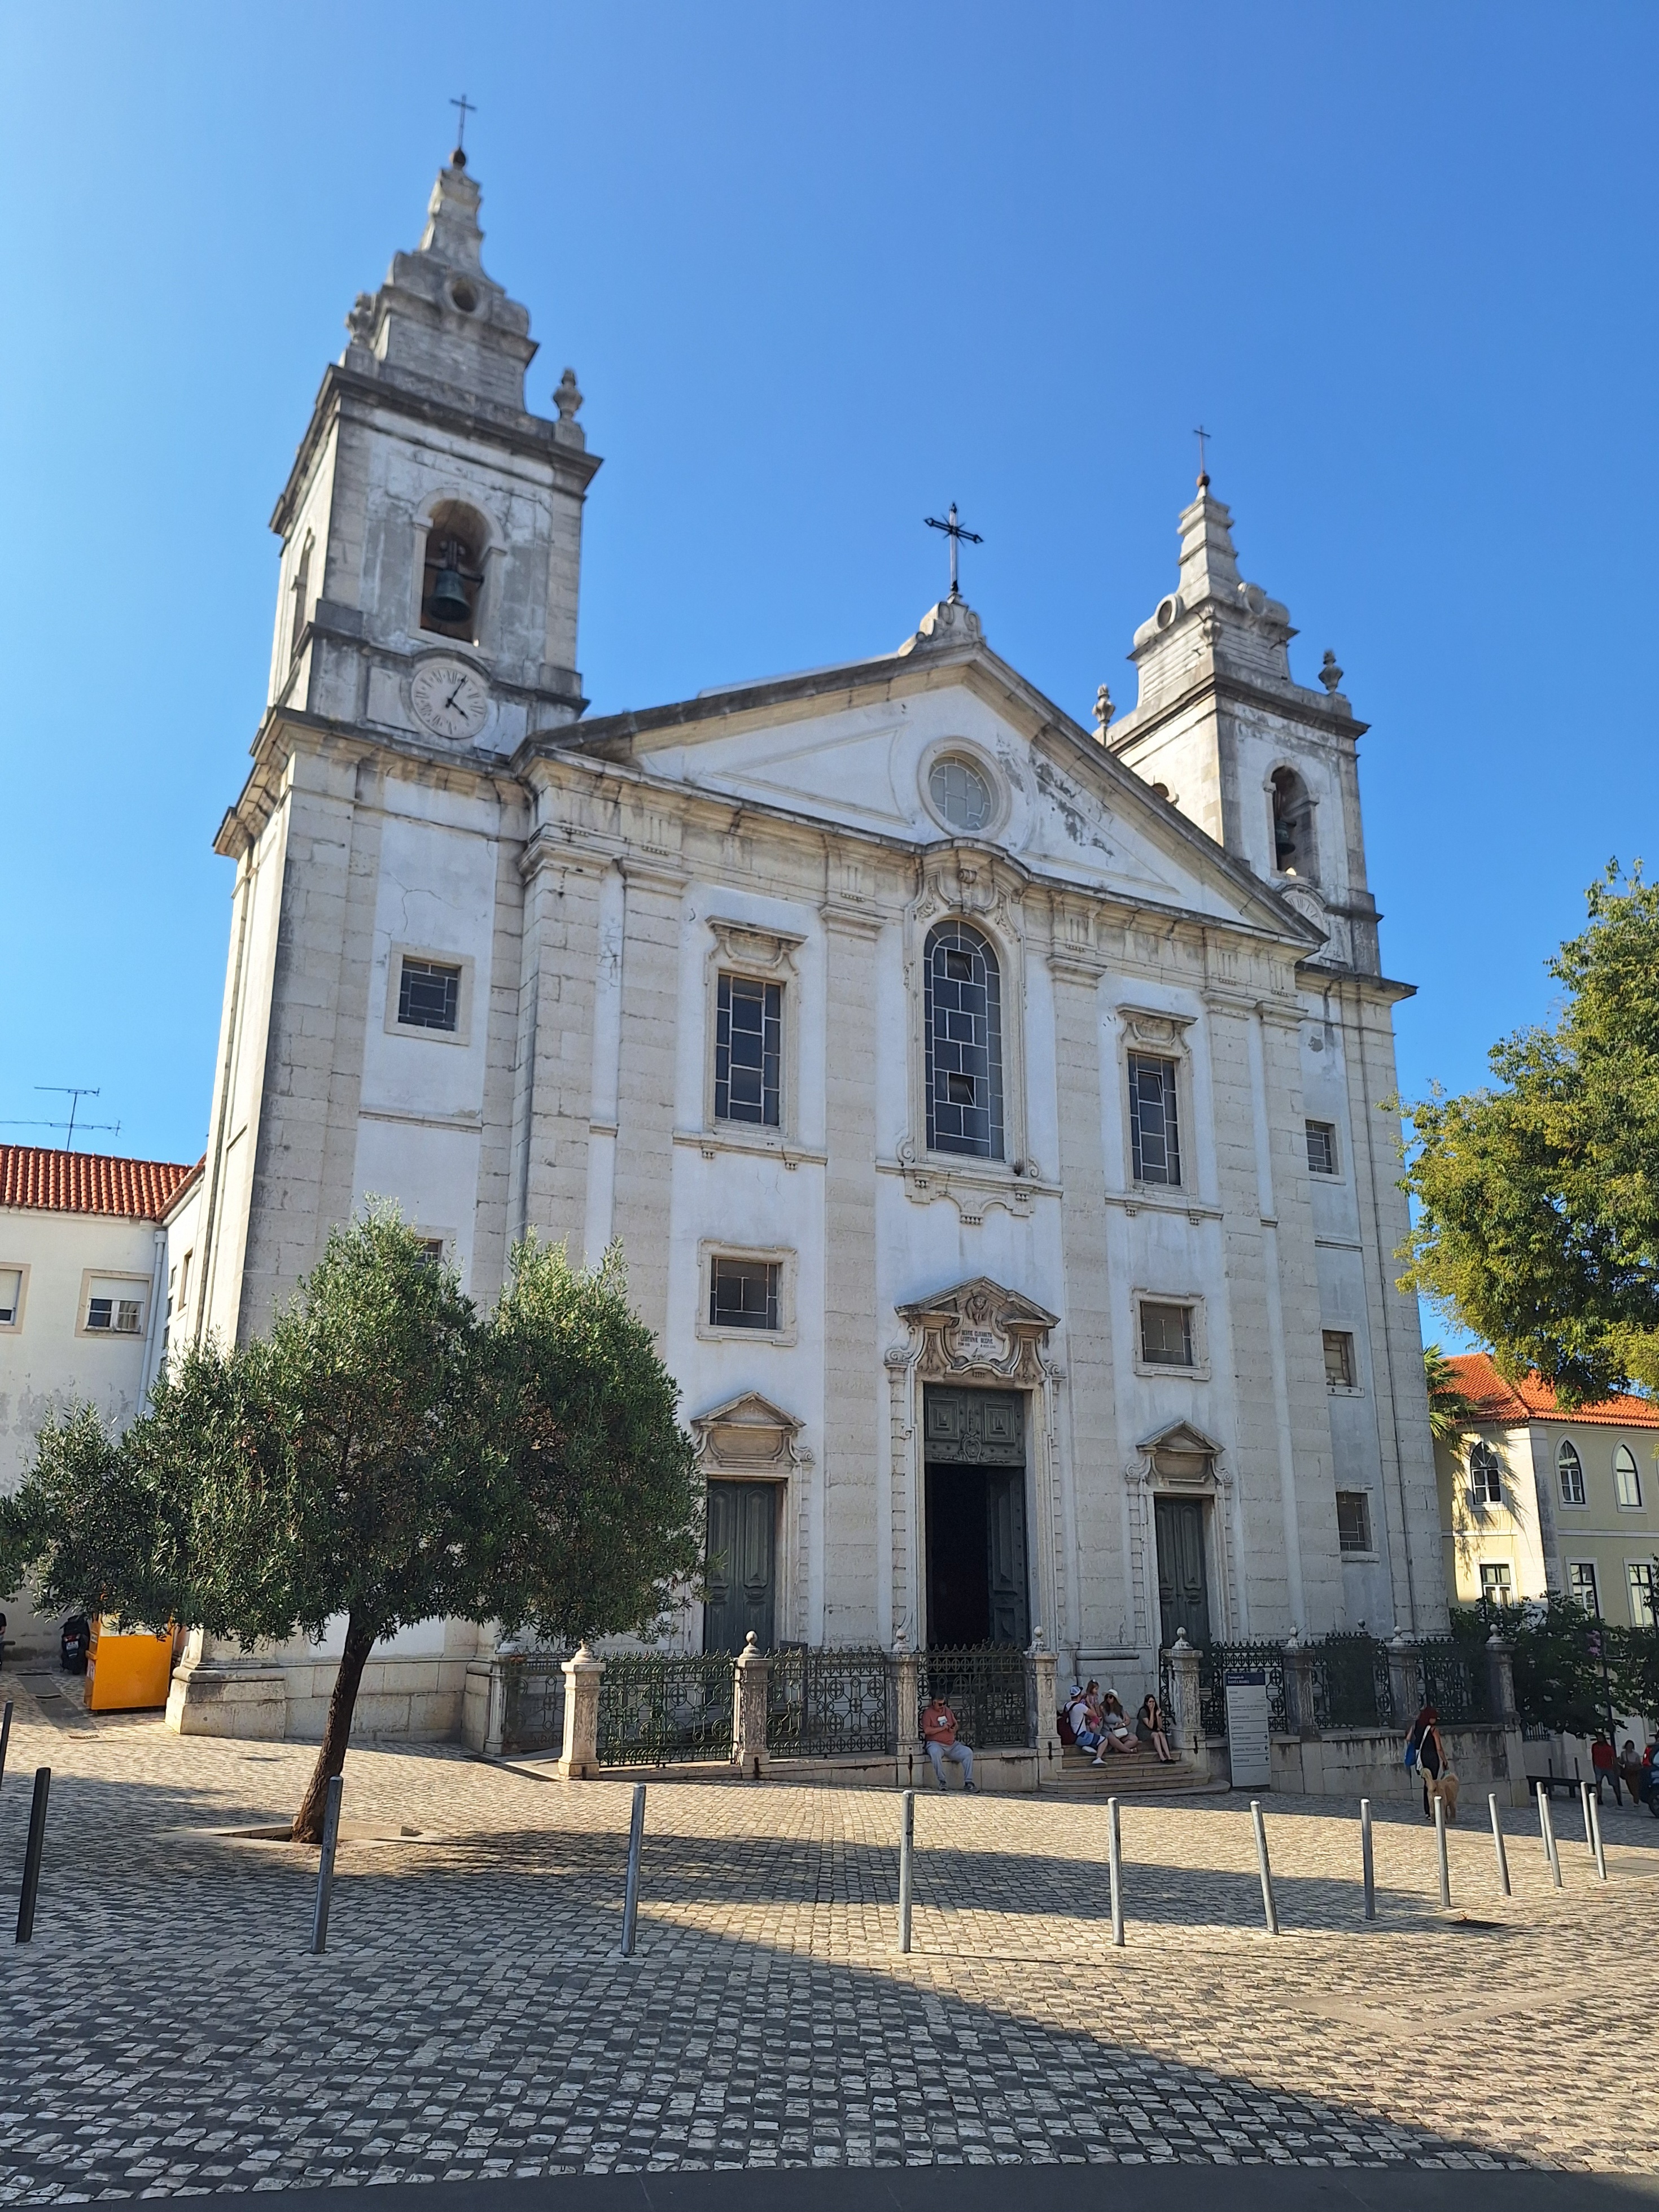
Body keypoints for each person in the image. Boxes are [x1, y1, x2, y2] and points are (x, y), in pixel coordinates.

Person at [921, 1690, 975, 1791]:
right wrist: (942, 1728)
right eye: (940, 1704)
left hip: (952, 1745)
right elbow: (927, 1730)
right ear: (934, 1703)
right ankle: (942, 1781)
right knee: (935, 1752)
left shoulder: (947, 1711)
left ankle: (968, 1782)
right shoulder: (928, 1713)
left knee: (968, 1753)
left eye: (944, 1703)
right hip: (935, 1743)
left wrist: (953, 1729)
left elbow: (956, 1724)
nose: (942, 1706)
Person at [1092, 1690, 1139, 1763]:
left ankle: (1119, 1748)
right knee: (1111, 1737)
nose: (1108, 1699)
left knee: (1134, 1739)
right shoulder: (1104, 1708)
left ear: (1114, 1699)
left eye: (1110, 1697)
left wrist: (1122, 1724)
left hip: (1119, 1732)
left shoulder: (1120, 1709)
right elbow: (1099, 1718)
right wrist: (1098, 1710)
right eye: (1107, 1697)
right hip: (1108, 1731)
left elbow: (1128, 1720)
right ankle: (1128, 1751)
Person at [1135, 1692, 1175, 1764]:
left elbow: (1160, 1727)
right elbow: (1150, 1725)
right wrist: (1151, 1711)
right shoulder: (1143, 1711)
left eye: (1153, 1701)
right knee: (1156, 1735)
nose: (1152, 1703)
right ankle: (1162, 1757)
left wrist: (1157, 1715)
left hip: (1153, 1730)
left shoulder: (1157, 1710)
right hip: (1144, 1731)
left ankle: (1169, 1756)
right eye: (1150, 1702)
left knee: (1161, 1734)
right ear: (1147, 1703)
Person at [1066, 1683, 1105, 1756]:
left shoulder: (1067, 1705)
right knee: (1103, 1740)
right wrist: (1088, 1702)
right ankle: (1098, 1759)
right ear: (1080, 1695)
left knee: (1093, 1739)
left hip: (1072, 1735)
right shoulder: (1080, 1706)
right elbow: (1094, 1714)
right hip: (1081, 1735)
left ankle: (1086, 1747)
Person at [1591, 1731, 1621, 1806]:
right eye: (1598, 1738)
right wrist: (1594, 1766)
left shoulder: (1608, 1748)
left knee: (1614, 1784)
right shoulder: (1595, 1746)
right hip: (1599, 1766)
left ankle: (1618, 1798)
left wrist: (1615, 1767)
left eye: (1600, 1737)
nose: (1599, 1739)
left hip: (1608, 1767)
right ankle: (1600, 1797)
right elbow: (1593, 1757)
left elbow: (1613, 1758)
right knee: (1598, 1782)